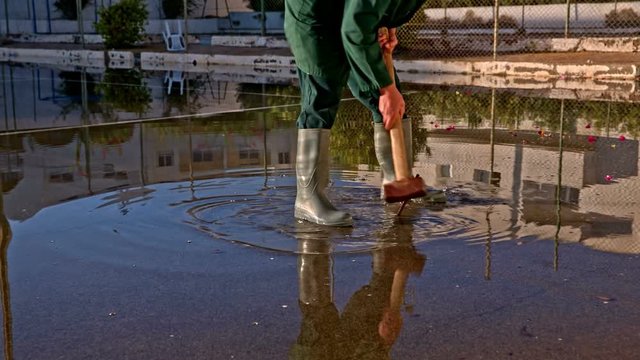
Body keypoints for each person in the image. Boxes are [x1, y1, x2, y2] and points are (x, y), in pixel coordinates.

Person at [285, 0, 428, 226]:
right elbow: (354, 28)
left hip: (348, 12)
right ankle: (308, 198)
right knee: (322, 96)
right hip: (314, 15)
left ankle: (398, 179)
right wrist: (387, 88)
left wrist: (384, 23)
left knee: (381, 92)